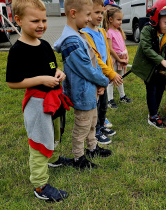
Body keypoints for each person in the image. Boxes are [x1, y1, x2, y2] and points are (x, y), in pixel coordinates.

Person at [6, 0, 73, 202]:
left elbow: (52, 68)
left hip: (53, 100)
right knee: (39, 141)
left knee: (53, 133)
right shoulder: (18, 50)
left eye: (44, 20)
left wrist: (58, 73)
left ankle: (52, 159)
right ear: (18, 20)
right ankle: (40, 185)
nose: (42, 25)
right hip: (36, 104)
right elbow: (13, 82)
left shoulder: (44, 44)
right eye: (35, 20)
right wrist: (41, 80)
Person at [54, 0, 112, 170]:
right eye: (87, 14)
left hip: (90, 90)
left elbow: (94, 62)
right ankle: (79, 158)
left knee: (92, 122)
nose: (89, 19)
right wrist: (103, 81)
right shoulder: (71, 41)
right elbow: (86, 68)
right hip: (82, 92)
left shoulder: (79, 34)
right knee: (82, 126)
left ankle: (92, 148)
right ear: (73, 13)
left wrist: (99, 84)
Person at [131, 0, 166, 129]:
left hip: (160, 69)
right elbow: (146, 48)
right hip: (148, 68)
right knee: (151, 88)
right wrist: (161, 61)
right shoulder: (147, 30)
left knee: (160, 88)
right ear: (157, 18)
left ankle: (155, 112)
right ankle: (152, 116)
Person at [81, 0, 123, 144]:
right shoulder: (85, 34)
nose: (100, 16)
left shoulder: (102, 31)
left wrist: (110, 71)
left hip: (104, 75)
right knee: (96, 106)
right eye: (96, 13)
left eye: (101, 12)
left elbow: (106, 54)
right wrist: (111, 74)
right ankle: (96, 131)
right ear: (87, 13)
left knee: (104, 104)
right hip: (94, 77)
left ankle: (101, 125)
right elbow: (96, 59)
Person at [103, 7, 133, 109]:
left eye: (121, 19)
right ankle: (110, 100)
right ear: (111, 19)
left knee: (120, 78)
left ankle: (122, 96)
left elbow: (124, 46)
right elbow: (110, 49)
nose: (121, 22)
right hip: (114, 59)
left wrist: (126, 56)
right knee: (111, 79)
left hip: (121, 58)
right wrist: (119, 59)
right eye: (118, 19)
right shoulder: (108, 32)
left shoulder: (119, 31)